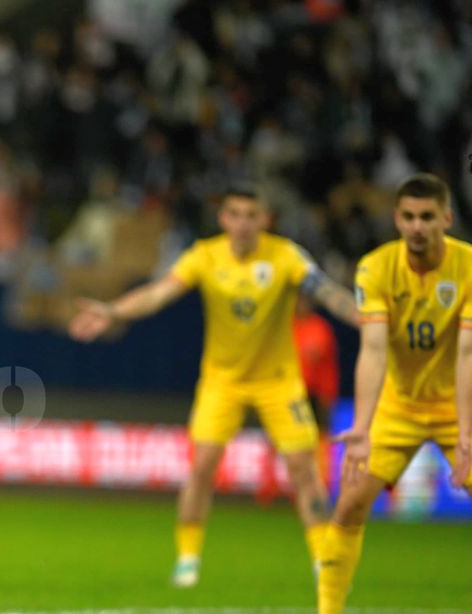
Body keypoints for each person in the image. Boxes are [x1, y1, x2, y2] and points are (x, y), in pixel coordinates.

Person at [70, 185, 359, 588]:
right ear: (223, 218)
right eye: (235, 214)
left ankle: (323, 560)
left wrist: (367, 318)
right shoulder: (205, 256)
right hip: (222, 380)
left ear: (265, 219)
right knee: (202, 467)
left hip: (278, 381)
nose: (242, 223)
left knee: (302, 469)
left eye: (251, 215)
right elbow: (159, 292)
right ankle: (187, 559)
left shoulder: (285, 255)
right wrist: (113, 311)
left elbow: (326, 292)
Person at [295, 173, 472, 614]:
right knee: (349, 503)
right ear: (397, 218)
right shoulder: (374, 268)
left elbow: (468, 352)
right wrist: (363, 427)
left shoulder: (469, 267)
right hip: (398, 404)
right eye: (409, 217)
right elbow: (372, 349)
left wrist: (468, 434)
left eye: (427, 217)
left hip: (457, 403)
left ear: (446, 219)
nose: (417, 227)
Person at [256, 296, 340, 506]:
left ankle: (316, 489)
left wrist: (327, 395)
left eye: (305, 300)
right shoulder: (283, 326)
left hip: (311, 395)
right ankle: (269, 489)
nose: (301, 304)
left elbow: (327, 366)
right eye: (298, 300)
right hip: (282, 392)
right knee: (275, 440)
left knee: (314, 444)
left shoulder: (320, 329)